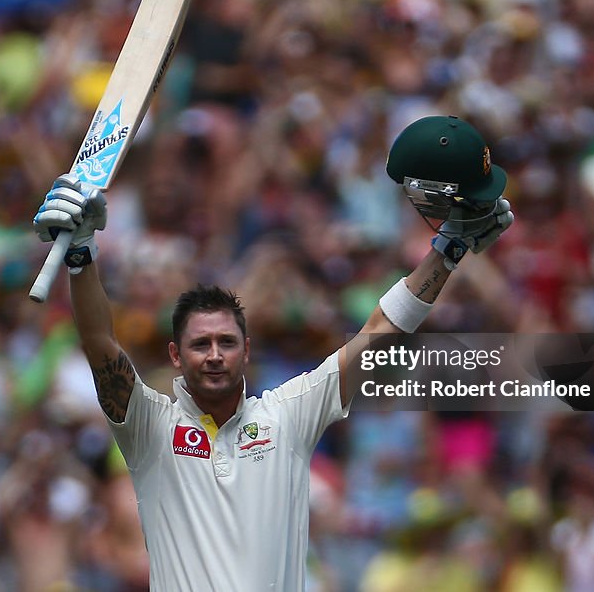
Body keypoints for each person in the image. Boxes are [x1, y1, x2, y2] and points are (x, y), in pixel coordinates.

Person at [32, 115, 515, 591]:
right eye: (201, 344)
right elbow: (100, 344)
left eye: (227, 343)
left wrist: (449, 250)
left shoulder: (288, 416)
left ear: (248, 352)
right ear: (176, 355)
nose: (216, 355)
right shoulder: (150, 427)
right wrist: (81, 255)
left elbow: (381, 330)